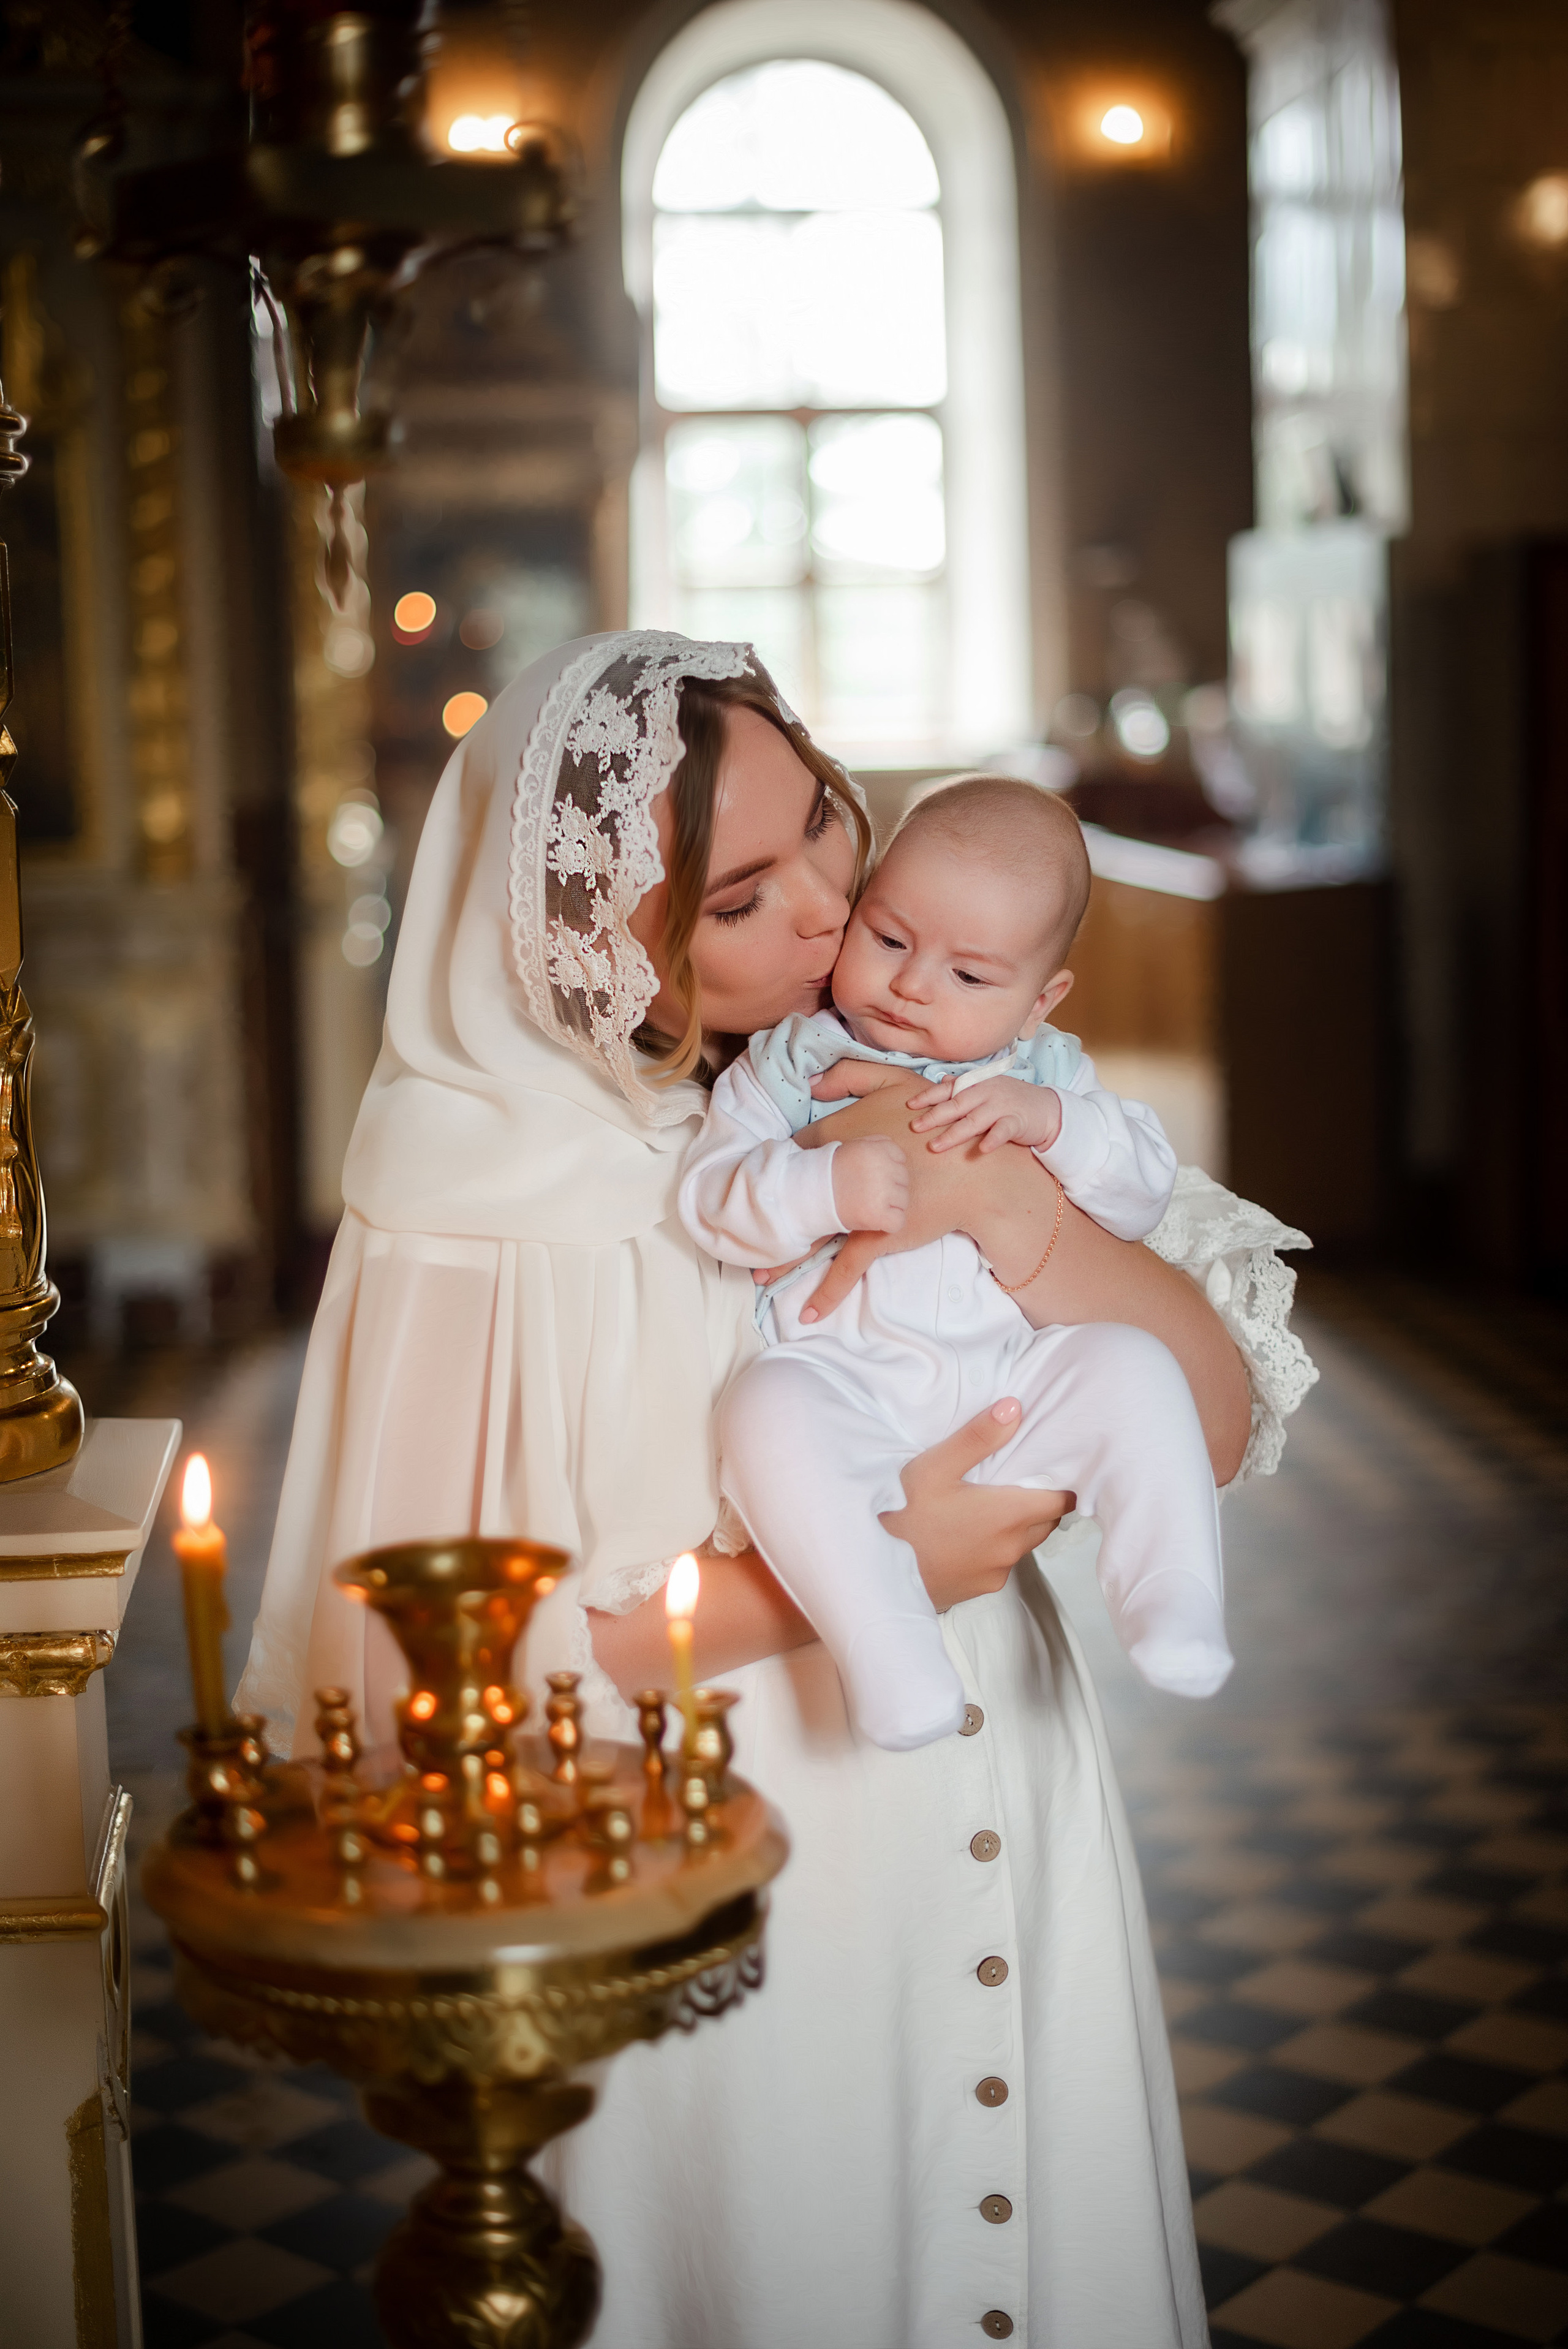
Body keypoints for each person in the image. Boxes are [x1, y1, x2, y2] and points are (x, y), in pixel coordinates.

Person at [238, 631, 1316, 2349]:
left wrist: (1012, 1218)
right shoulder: (482, 1202)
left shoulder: (932, 1059)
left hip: (1007, 1782)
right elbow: (434, 1711)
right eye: (742, 896)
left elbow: (1213, 1424)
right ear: (594, 928)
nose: (831, 910)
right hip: (725, 1900)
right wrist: (891, 1564)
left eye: (824, 822)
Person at [680, 775, 1230, 1752]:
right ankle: (886, 1649)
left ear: (1038, 1000)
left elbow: (1142, 1188)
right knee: (763, 1416)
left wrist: (1052, 1128)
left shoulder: (1045, 1071)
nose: (913, 985)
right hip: (840, 1381)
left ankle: (1170, 1592)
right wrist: (821, 1190)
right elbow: (713, 1198)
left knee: (1131, 1370)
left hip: (1010, 1388)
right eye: (889, 939)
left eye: (971, 977)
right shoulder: (791, 1062)